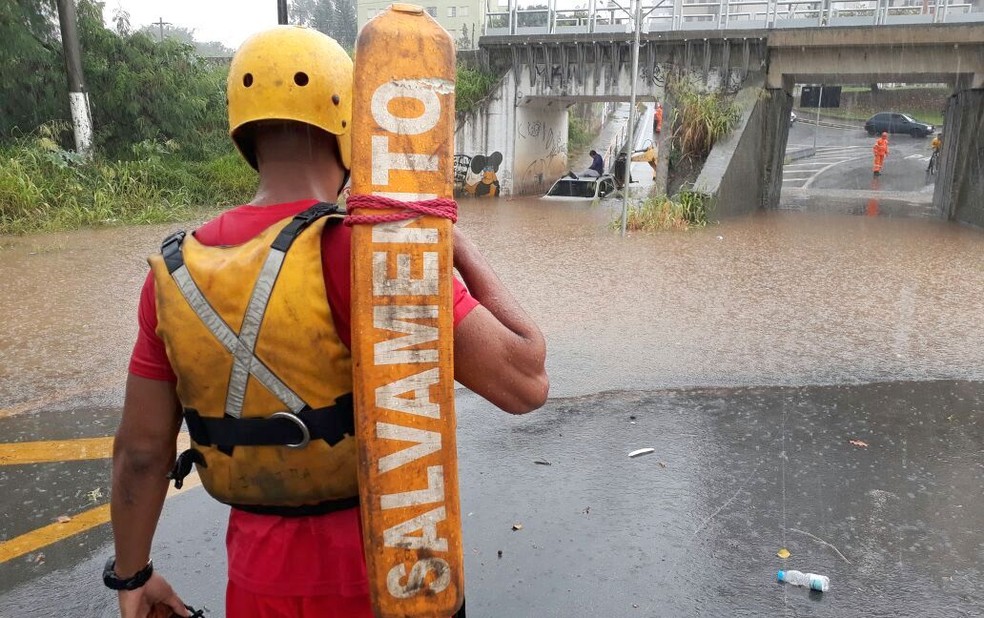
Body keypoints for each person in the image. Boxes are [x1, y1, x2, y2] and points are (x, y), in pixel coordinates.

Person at [108, 26, 548, 618]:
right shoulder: (371, 258)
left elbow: (140, 452)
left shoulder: (173, 273)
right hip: (397, 583)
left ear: (244, 132)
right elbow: (526, 379)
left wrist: (133, 574)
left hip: (259, 586)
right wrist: (452, 242)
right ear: (349, 127)